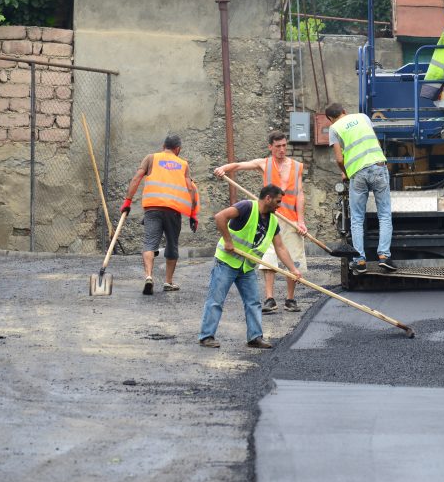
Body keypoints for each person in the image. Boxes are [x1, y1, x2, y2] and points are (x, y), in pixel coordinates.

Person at [214, 130, 308, 314]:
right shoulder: (264, 164)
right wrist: (223, 168)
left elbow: (300, 194)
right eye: (278, 146)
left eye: (284, 145)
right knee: (269, 257)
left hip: (291, 219)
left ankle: (290, 299)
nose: (282, 149)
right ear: (270, 147)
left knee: (293, 258)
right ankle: (270, 299)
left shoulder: (297, 166)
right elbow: (239, 165)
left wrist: (301, 221)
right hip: (269, 218)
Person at [198, 185, 302, 349]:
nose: (279, 205)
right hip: (227, 262)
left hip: (246, 267)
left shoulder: (273, 221)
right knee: (216, 300)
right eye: (277, 201)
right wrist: (228, 240)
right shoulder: (246, 207)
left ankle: (255, 337)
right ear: (268, 198)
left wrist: (293, 269)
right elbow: (220, 217)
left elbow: (280, 247)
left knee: (253, 302)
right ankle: (206, 336)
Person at [121, 134, 199, 295]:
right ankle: (168, 282)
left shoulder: (151, 158)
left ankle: (149, 276)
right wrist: (193, 214)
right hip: (173, 211)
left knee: (149, 243)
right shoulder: (183, 164)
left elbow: (136, 179)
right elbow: (191, 189)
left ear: (164, 146)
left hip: (152, 209)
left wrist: (127, 202)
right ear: (178, 149)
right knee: (172, 244)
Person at [325, 103, 395, 274]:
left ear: (329, 119)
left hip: (357, 173)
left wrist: (345, 173)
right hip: (378, 166)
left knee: (357, 219)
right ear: (344, 112)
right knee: (384, 215)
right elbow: (375, 140)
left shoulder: (334, 129)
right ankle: (384, 257)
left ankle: (360, 260)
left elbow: (339, 159)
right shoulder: (363, 117)